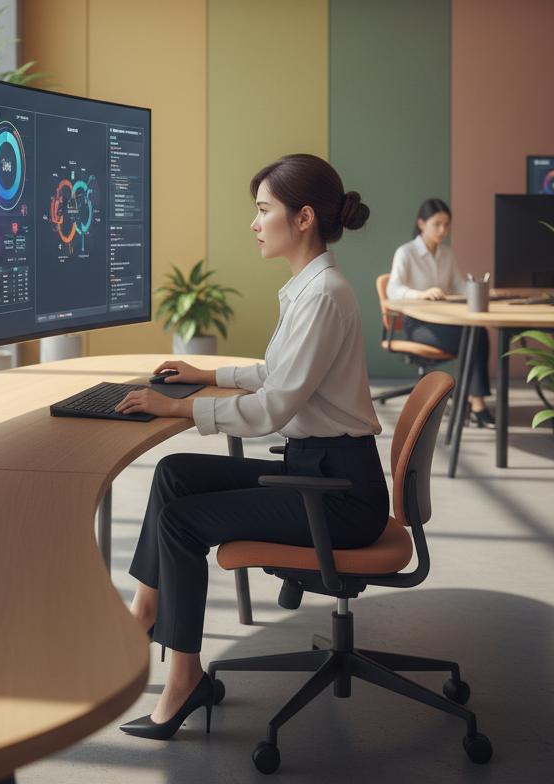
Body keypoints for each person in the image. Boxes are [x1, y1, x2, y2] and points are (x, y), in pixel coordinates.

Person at [112, 153, 385, 740]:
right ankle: (145, 613)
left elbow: (273, 410)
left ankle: (185, 680)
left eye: (264, 210)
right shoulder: (309, 288)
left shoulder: (324, 296)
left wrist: (178, 405)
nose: (255, 223)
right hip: (317, 470)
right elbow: (276, 374)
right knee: (174, 473)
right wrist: (204, 373)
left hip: (338, 495)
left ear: (304, 217)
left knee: (183, 522)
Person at [387, 199, 494, 426]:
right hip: (418, 325)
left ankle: (475, 402)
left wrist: (482, 291)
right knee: (472, 336)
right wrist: (421, 294)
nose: (442, 230)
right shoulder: (406, 252)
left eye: (446, 225)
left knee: (478, 332)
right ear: (421, 223)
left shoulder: (446, 253)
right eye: (437, 224)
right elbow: (393, 289)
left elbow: (457, 286)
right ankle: (473, 403)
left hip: (444, 322)